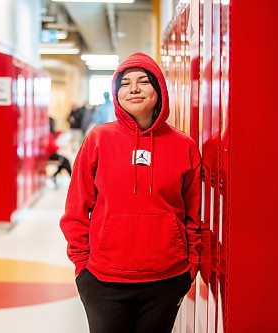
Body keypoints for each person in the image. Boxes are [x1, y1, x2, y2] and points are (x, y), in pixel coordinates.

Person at [60, 52, 202, 333]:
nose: (133, 89)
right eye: (124, 83)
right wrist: (82, 268)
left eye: (143, 81)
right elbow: (76, 208)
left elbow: (194, 214)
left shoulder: (184, 145)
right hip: (103, 280)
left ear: (159, 89)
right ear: (116, 93)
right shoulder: (99, 139)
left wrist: (191, 266)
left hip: (167, 278)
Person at [47, 117, 72, 185]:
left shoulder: (50, 133)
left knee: (64, 162)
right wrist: (59, 146)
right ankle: (73, 180)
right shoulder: (48, 134)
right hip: (49, 155)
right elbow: (50, 147)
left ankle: (54, 176)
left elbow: (57, 133)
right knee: (65, 161)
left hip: (51, 154)